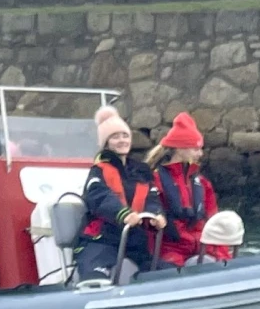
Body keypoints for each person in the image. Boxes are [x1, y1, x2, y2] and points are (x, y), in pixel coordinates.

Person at [74, 105, 167, 283]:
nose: (122, 140)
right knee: (94, 276)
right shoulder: (98, 171)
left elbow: (151, 198)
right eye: (115, 137)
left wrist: (157, 215)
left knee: (166, 272)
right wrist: (124, 215)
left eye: (125, 135)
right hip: (102, 240)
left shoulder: (140, 172)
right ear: (106, 143)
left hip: (134, 242)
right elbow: (99, 197)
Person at [145, 111, 224, 267]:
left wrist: (222, 256)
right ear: (180, 149)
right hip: (169, 250)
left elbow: (212, 221)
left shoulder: (202, 183)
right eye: (195, 149)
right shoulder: (154, 180)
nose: (200, 154)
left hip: (200, 248)